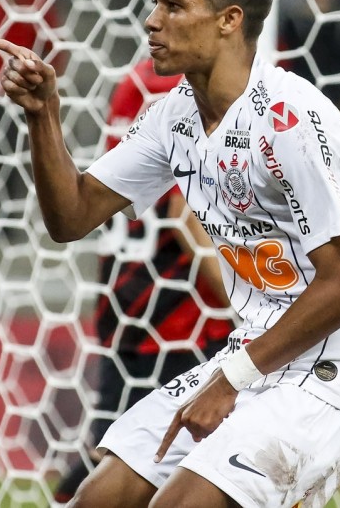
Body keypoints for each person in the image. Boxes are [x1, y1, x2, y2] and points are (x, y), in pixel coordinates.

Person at [0, 0, 340, 507]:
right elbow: (72, 216)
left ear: (229, 20)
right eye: (155, 1)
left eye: (173, 6)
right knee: (98, 498)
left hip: (333, 371)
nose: (152, 20)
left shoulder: (289, 120)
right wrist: (42, 116)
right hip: (254, 354)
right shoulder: (172, 118)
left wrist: (231, 381)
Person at [53, 60, 233, 503]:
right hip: (180, 319)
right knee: (195, 473)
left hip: (125, 304)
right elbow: (184, 214)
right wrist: (245, 302)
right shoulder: (182, 87)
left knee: (110, 463)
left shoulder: (132, 80)